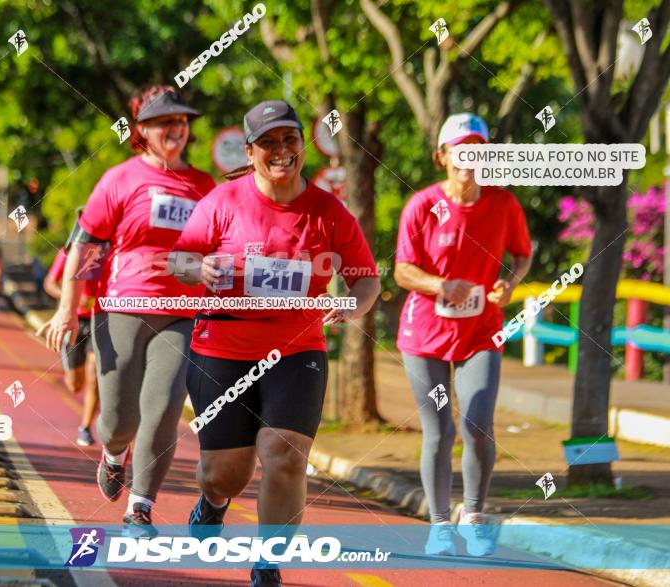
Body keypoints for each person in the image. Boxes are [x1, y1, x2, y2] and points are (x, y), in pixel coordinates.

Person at [169, 100, 380, 587]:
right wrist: (196, 269)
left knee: (284, 455)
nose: (281, 151)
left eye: (289, 139)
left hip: (296, 350)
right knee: (225, 473)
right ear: (250, 151)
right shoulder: (223, 203)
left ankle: (268, 561)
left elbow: (366, 280)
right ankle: (213, 504)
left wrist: (352, 305)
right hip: (221, 348)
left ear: (301, 145)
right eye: (268, 143)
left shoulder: (328, 212)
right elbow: (176, 260)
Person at [37, 86, 216, 536]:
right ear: (142, 131)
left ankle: (140, 506)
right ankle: (114, 453)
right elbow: (86, 246)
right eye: (163, 122)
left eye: (181, 121)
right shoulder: (121, 179)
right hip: (121, 307)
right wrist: (65, 311)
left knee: (164, 408)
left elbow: (219, 245)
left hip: (181, 312)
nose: (175, 129)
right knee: (119, 419)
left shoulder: (204, 186)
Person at [393, 113, 532, 557]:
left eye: (477, 149)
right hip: (425, 336)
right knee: (439, 429)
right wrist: (439, 286)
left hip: (481, 332)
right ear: (443, 156)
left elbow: (522, 255)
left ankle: (473, 515)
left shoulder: (504, 204)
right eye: (459, 149)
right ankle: (438, 525)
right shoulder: (423, 205)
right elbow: (401, 271)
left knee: (477, 423)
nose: (468, 159)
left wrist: (510, 284)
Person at [43, 210, 100, 447]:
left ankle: (86, 427)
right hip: (73, 321)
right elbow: (50, 283)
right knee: (75, 384)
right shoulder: (69, 253)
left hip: (99, 319)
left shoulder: (106, 255)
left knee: (94, 373)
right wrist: (71, 299)